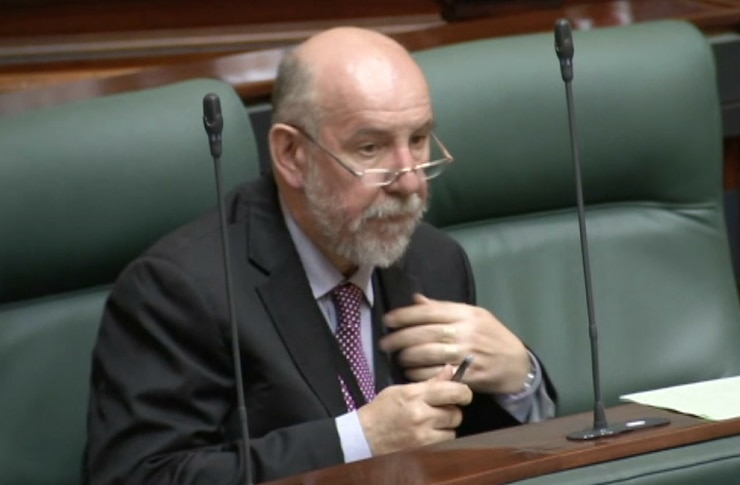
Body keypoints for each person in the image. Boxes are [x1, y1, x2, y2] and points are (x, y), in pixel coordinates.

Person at [86, 26, 555, 484]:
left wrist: (521, 379)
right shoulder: (181, 289)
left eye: (417, 140)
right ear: (291, 154)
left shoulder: (434, 260)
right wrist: (358, 440)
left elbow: (476, 454)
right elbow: (140, 474)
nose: (410, 181)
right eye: (370, 148)